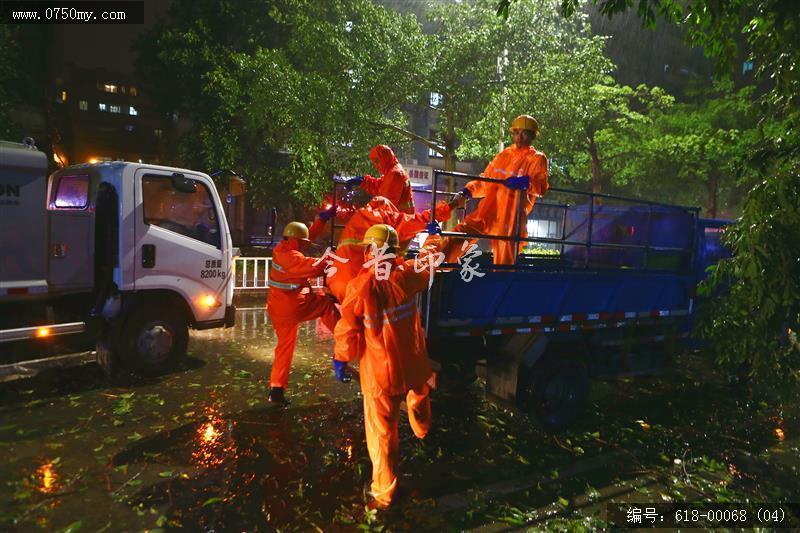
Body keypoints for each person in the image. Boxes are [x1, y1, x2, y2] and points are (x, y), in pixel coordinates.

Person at [333, 224, 443, 509]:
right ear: (395, 250)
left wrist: (341, 358)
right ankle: (422, 430)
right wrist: (434, 235)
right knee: (419, 395)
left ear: (370, 249)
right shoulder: (409, 274)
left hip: (381, 374)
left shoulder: (362, 286)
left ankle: (384, 493)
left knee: (382, 433)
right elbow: (431, 257)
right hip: (414, 364)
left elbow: (347, 326)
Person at [308, 195, 456, 303]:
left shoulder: (357, 217)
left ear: (367, 251)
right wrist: (443, 217)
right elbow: (426, 261)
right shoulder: (398, 278)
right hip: (359, 291)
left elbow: (346, 334)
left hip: (340, 285)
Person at [446, 114, 549, 265]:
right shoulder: (504, 155)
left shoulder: (537, 159)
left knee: (504, 260)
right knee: (459, 235)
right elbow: (486, 180)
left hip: (511, 216)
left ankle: (503, 285)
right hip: (489, 210)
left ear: (532, 136)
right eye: (516, 132)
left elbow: (541, 187)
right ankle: (437, 266)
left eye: (524, 133)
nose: (519, 137)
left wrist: (525, 182)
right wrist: (468, 192)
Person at [266, 221, 340, 405]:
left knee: (284, 347)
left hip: (277, 307)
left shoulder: (282, 248)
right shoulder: (291, 257)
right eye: (304, 242)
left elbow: (306, 238)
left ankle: (276, 389)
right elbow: (314, 267)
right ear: (297, 241)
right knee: (325, 304)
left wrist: (320, 221)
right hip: (293, 305)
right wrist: (331, 257)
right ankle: (347, 336)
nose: (306, 245)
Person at [342, 145, 415, 214]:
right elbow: (381, 185)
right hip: (400, 217)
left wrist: (369, 212)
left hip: (398, 219)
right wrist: (364, 181)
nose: (375, 166)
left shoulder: (395, 173)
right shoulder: (392, 171)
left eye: (377, 161)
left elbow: (387, 203)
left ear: (386, 158)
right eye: (373, 163)